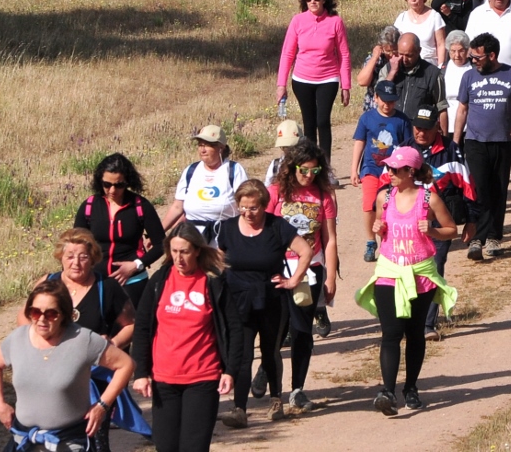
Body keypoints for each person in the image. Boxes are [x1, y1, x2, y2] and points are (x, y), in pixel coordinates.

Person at [355, 146, 457, 415]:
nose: (389, 174)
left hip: (420, 276)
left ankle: (410, 387)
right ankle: (387, 392)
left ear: (410, 171)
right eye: (388, 169)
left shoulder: (429, 200)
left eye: (394, 170)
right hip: (389, 272)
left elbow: (451, 230)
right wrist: (379, 229)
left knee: (414, 334)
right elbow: (382, 227)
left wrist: (433, 230)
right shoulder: (384, 198)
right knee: (390, 333)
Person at [18, 228, 139, 452]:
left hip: (92, 380)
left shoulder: (107, 287)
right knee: (48, 438)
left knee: (93, 441)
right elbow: (24, 318)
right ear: (60, 258)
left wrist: (110, 345)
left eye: (83, 256)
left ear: (92, 258)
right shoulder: (49, 283)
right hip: (48, 376)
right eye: (70, 256)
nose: (76, 262)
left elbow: (131, 324)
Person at [0, 280, 134, 452]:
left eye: (51, 314)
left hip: (70, 443)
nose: (41, 319)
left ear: (64, 314)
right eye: (35, 312)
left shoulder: (83, 340)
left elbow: (125, 364)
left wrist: (103, 404)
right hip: (24, 442)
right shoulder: (18, 338)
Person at [132, 223, 243, 451]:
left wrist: (230, 370)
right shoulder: (159, 281)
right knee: (166, 446)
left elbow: (234, 328)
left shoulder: (213, 281)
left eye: (184, 252)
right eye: (174, 251)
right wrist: (141, 373)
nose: (178, 258)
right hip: (164, 379)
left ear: (197, 251)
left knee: (193, 447)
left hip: (202, 377)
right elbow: (142, 327)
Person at [215, 181, 313, 426]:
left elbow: (305, 251)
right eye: (243, 207)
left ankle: (276, 400)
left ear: (264, 205)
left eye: (254, 208)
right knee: (243, 353)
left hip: (271, 298)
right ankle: (239, 409)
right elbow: (218, 259)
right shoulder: (227, 228)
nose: (248, 213)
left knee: (270, 351)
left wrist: (293, 280)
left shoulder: (277, 226)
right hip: (238, 300)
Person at [380, 105, 478, 340]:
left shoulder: (452, 151)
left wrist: (472, 221)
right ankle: (405, 318)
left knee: (434, 266)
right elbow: (385, 185)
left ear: (438, 127)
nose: (420, 133)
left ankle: (426, 324)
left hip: (436, 222)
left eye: (426, 128)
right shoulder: (402, 150)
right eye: (417, 128)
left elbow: (468, 186)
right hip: (403, 224)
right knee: (403, 268)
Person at [266, 140, 338, 411]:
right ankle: (268, 373)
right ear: (291, 168)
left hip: (310, 270)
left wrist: (330, 277)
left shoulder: (324, 196)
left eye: (315, 171)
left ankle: (297, 388)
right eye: (303, 171)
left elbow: (330, 239)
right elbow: (264, 232)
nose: (309, 176)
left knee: (301, 330)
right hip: (277, 267)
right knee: (274, 329)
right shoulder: (275, 192)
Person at [454, 32, 511, 258]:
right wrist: (456, 141)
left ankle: (494, 237)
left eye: (477, 57)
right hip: (475, 141)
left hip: (503, 142)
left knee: (498, 190)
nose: (473, 61)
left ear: (492, 55)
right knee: (479, 190)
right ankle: (477, 238)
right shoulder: (468, 77)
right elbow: (462, 110)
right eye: (471, 57)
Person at [74, 153, 165, 310]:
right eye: (107, 184)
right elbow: (75, 245)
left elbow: (161, 244)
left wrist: (136, 265)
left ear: (128, 182)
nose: (113, 190)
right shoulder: (89, 206)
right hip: (96, 282)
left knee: (133, 330)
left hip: (133, 282)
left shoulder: (140, 206)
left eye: (119, 185)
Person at [276, 0, 352, 161]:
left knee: (322, 121)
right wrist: (281, 84)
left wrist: (346, 86)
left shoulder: (335, 22)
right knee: (309, 124)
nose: (313, 2)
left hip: (328, 78)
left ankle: (326, 167)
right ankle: (310, 165)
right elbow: (287, 53)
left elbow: (344, 54)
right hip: (302, 79)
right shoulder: (298, 21)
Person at [351, 80, 413, 262]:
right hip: (370, 168)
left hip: (393, 171)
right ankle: (371, 242)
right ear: (376, 98)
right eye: (384, 100)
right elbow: (360, 142)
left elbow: (408, 147)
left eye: (392, 101)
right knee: (369, 204)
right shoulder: (367, 118)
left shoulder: (402, 120)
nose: (387, 105)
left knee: (389, 206)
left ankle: (388, 241)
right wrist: (354, 169)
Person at [161, 125, 249, 245]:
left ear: (221, 148)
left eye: (208, 145)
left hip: (225, 237)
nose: (203, 150)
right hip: (192, 239)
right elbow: (177, 207)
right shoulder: (191, 170)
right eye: (200, 145)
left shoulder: (234, 170)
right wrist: (159, 233)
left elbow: (246, 204)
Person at [380, 33, 449, 132]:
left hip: (419, 133)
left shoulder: (433, 74)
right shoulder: (388, 69)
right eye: (401, 54)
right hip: (390, 129)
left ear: (419, 51)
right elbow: (380, 94)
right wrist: (393, 72)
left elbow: (441, 108)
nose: (404, 59)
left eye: (409, 55)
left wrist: (444, 141)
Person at [394, 0, 446, 67]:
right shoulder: (401, 18)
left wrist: (440, 67)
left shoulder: (434, 17)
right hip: (406, 64)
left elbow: (441, 44)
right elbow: (395, 44)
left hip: (429, 65)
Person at [357, 26, 401, 112]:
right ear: (381, 47)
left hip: (394, 103)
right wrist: (375, 57)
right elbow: (362, 82)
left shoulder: (401, 58)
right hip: (374, 105)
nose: (391, 54)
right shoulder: (377, 58)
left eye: (394, 50)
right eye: (388, 51)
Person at [442, 30, 474, 140]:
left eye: (461, 51)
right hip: (448, 125)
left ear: (467, 50)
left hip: (470, 127)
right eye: (453, 51)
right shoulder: (442, 70)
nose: (457, 55)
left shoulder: (474, 69)